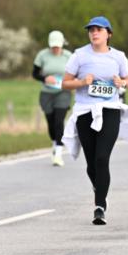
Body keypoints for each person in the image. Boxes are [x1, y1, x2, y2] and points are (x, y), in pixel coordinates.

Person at [61, 16, 128, 226]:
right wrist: (82, 82)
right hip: (85, 111)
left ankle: (99, 206)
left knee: (102, 158)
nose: (94, 33)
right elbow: (64, 83)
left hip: (110, 110)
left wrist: (122, 82)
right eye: (91, 30)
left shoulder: (118, 57)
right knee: (91, 164)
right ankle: (100, 188)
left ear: (108, 34)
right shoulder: (79, 56)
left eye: (99, 29)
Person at [32, 31, 73, 166]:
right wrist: (45, 78)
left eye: (58, 46)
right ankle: (55, 144)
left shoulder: (69, 56)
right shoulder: (42, 55)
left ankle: (59, 154)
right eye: (53, 46)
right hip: (46, 93)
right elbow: (34, 74)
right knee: (51, 123)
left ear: (62, 45)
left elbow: (76, 73)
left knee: (59, 121)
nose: (55, 49)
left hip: (63, 92)